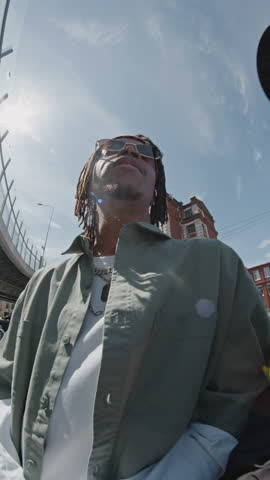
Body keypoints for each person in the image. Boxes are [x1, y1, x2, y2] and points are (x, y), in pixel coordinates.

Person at [0, 134, 269, 480]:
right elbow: (5, 386)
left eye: (147, 153)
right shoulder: (41, 284)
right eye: (113, 146)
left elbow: (245, 394)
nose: (130, 151)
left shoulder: (214, 266)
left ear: (157, 185)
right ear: (87, 175)